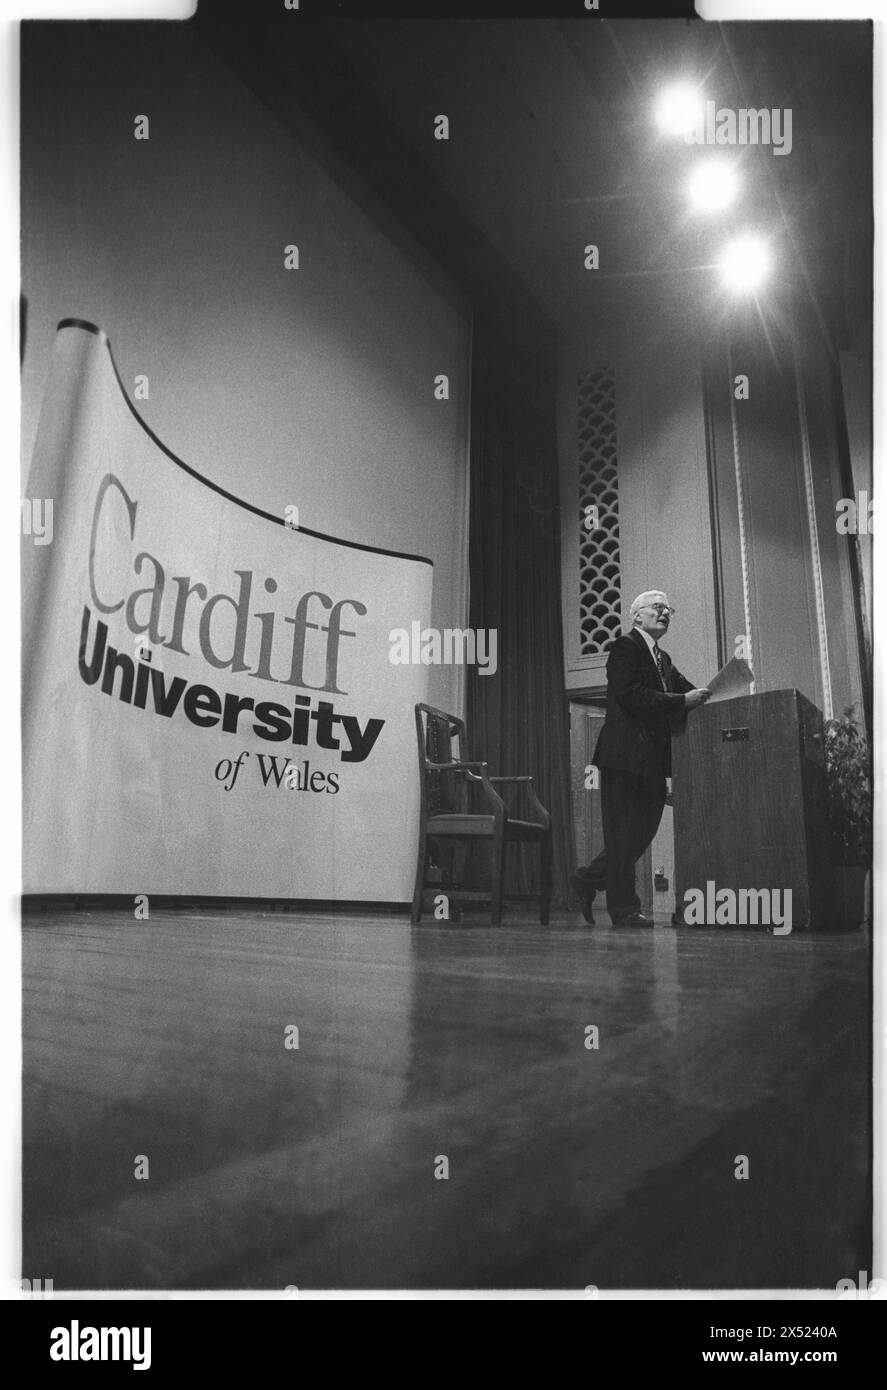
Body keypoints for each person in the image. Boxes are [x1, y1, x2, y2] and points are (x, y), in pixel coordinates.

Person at [573, 590, 710, 927]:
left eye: (668, 608)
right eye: (657, 607)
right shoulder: (625, 648)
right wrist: (682, 700)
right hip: (622, 755)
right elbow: (632, 695)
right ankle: (624, 909)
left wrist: (711, 695)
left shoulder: (664, 660)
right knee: (621, 833)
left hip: (650, 761)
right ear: (636, 616)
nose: (665, 612)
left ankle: (588, 879)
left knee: (642, 831)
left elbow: (686, 695)